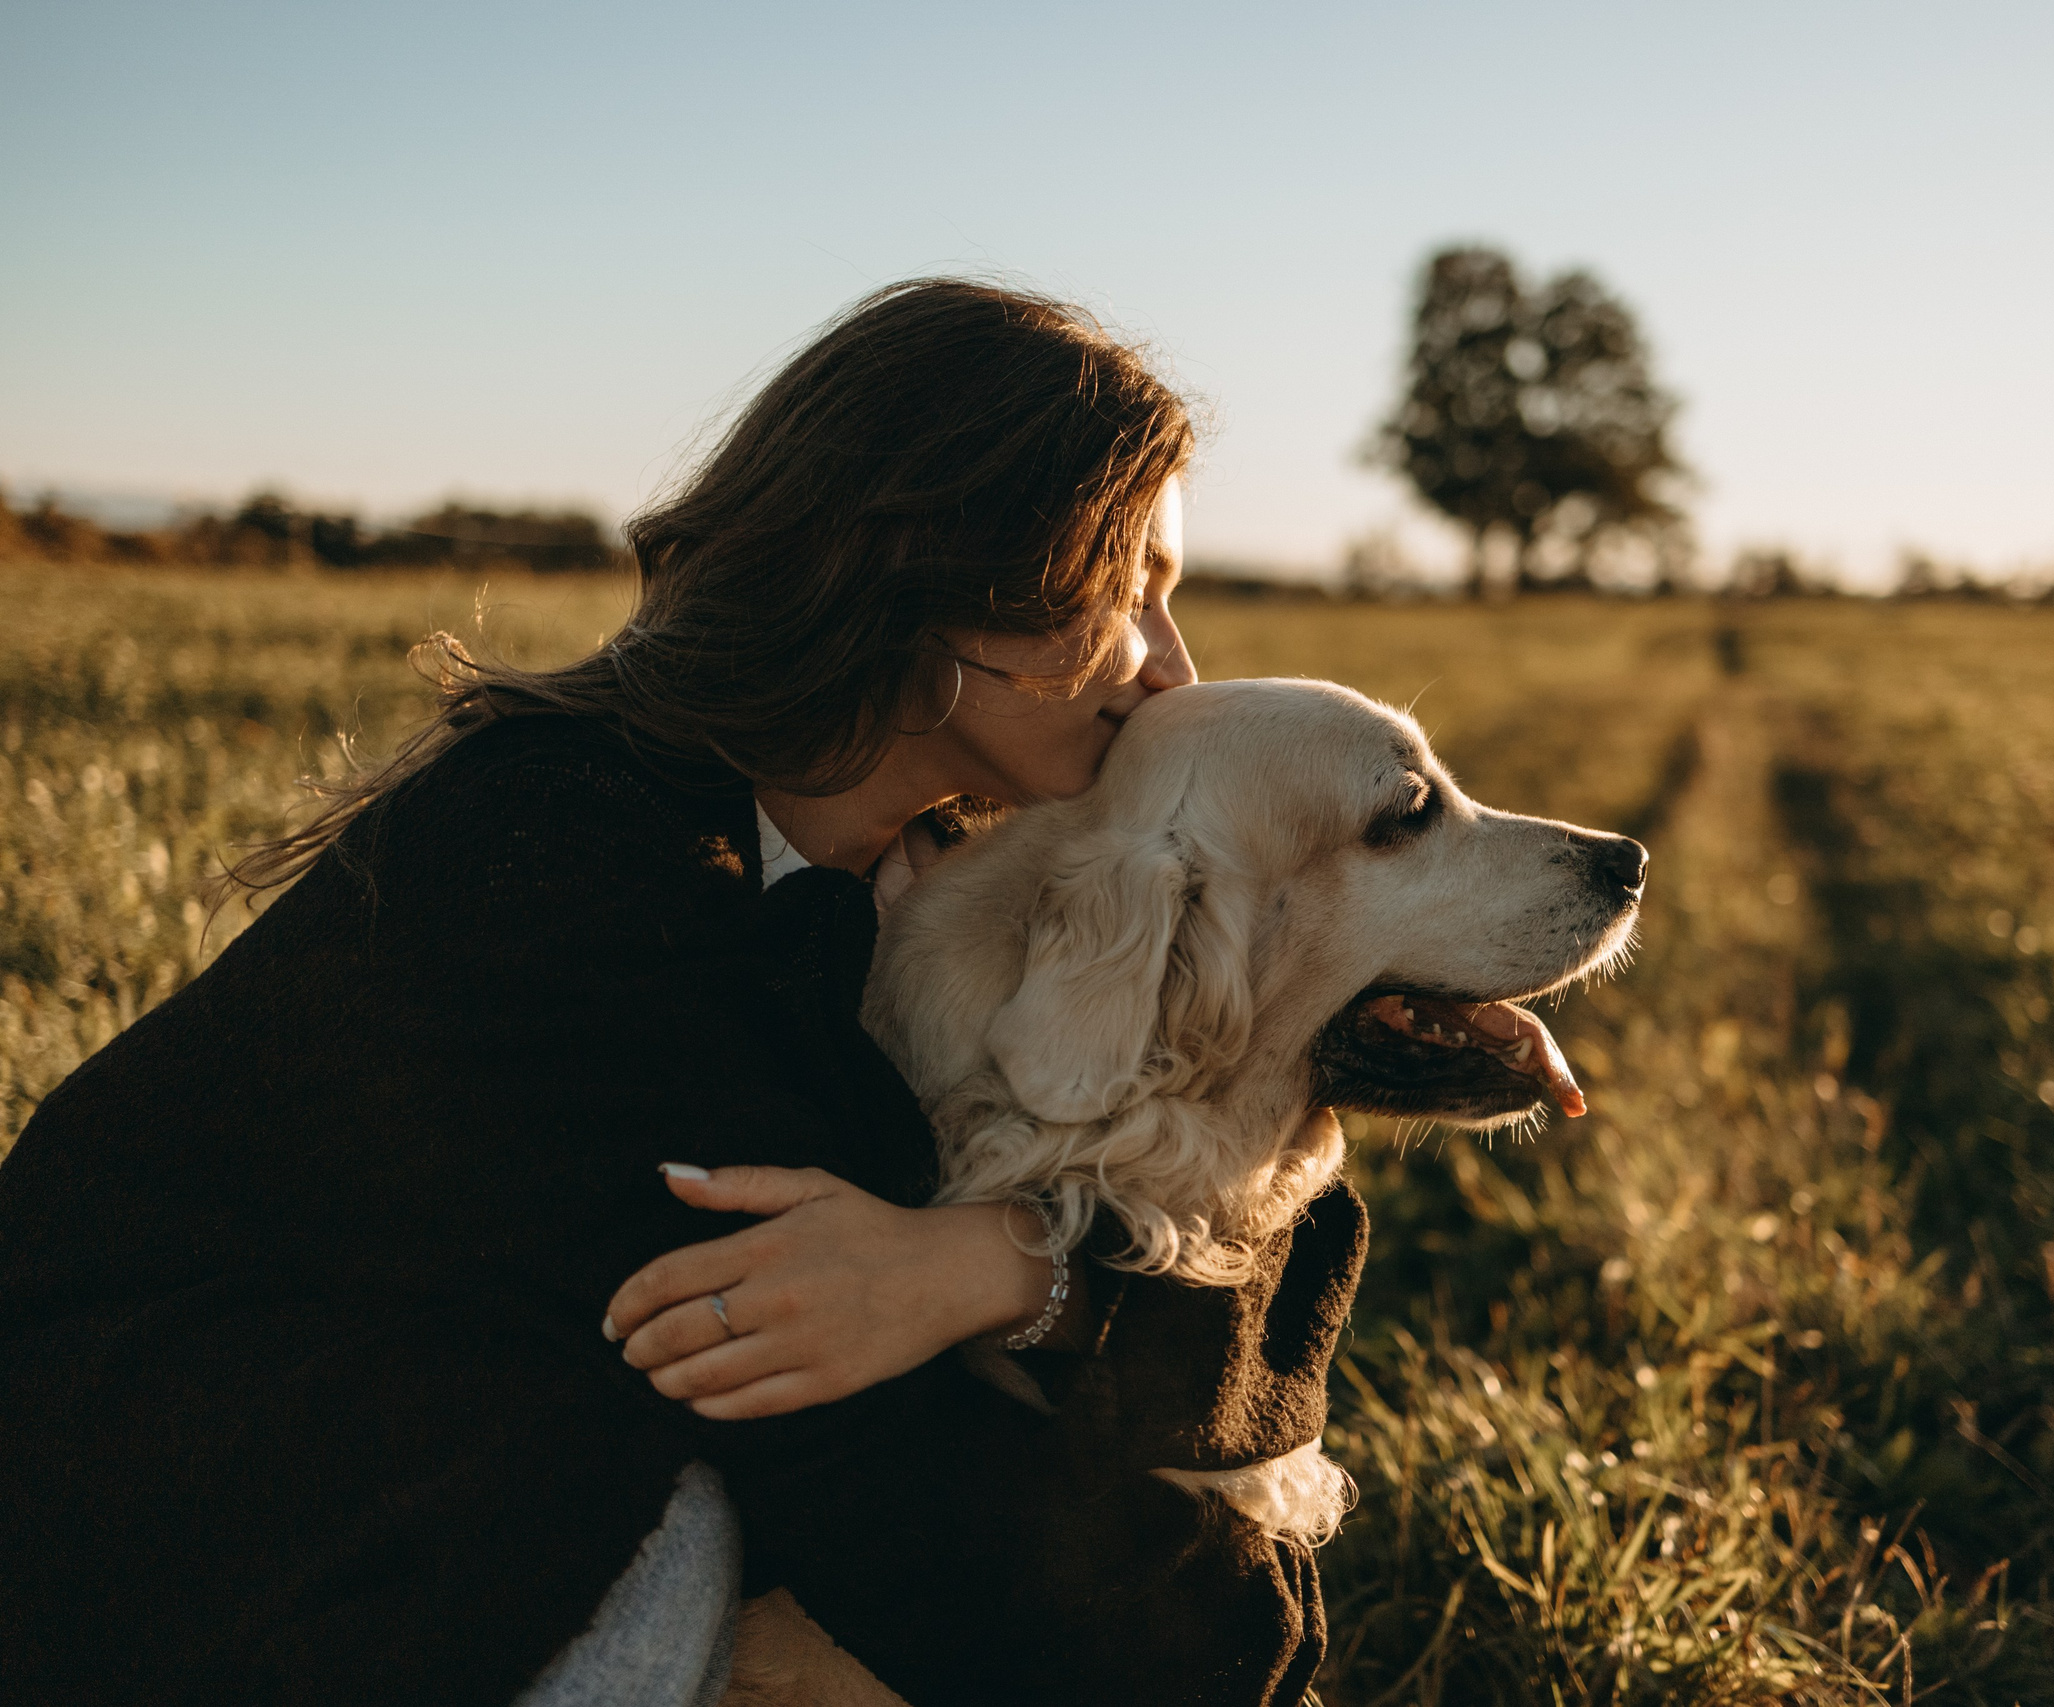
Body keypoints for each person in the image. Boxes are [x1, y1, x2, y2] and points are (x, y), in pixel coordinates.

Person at [0, 280, 1357, 1707]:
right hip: (170, 1502)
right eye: (1124, 585)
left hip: (476, 1446)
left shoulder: (946, 871)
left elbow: (1270, 1223)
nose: (1171, 669)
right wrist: (1237, 1655)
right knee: (672, 1515)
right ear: (936, 565)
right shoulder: (554, 858)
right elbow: (833, 1436)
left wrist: (1000, 1268)